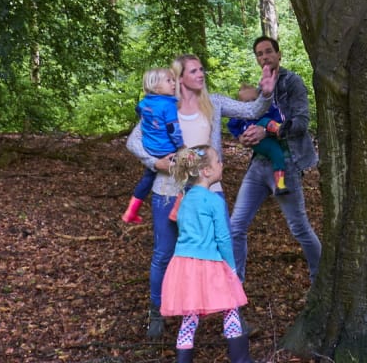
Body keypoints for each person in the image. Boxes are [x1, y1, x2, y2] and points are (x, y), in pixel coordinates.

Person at [126, 54, 277, 340]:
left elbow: (252, 108)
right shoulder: (163, 106)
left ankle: (233, 315)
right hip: (168, 191)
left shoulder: (214, 103)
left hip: (209, 192)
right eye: (194, 70)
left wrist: (267, 94)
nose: (201, 74)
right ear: (179, 76)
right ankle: (157, 312)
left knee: (221, 250)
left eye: (202, 69)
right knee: (164, 253)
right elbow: (134, 142)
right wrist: (154, 162)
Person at [230, 36, 321, 285]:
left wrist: (268, 130)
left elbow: (301, 122)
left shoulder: (292, 83)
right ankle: (235, 292)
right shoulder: (260, 88)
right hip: (259, 164)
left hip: (286, 163)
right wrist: (245, 137)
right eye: (259, 54)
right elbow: (246, 119)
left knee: (299, 228)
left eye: (269, 52)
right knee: (235, 226)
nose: (264, 57)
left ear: (278, 54)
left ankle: (320, 283)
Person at [161, 145, 253, 363]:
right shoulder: (214, 201)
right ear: (206, 171)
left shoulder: (184, 198)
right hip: (210, 264)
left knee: (189, 316)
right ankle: (241, 359)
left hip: (183, 265)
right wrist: (231, 267)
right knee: (230, 307)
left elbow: (181, 228)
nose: (222, 164)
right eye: (218, 161)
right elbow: (223, 238)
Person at [122, 68, 185, 224]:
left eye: (173, 80)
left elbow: (139, 110)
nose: (173, 84)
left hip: (150, 148)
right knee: (190, 175)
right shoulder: (169, 105)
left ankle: (130, 212)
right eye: (169, 81)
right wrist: (181, 146)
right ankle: (176, 211)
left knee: (146, 180)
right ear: (156, 87)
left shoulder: (145, 103)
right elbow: (173, 129)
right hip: (167, 150)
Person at [227, 84, 290, 196]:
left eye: (254, 100)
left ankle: (280, 185)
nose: (251, 104)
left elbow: (278, 114)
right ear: (240, 103)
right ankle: (278, 129)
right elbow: (232, 125)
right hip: (252, 138)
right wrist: (240, 137)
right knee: (265, 121)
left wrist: (273, 126)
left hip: (269, 140)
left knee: (278, 155)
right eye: (247, 102)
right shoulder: (239, 113)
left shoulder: (266, 108)